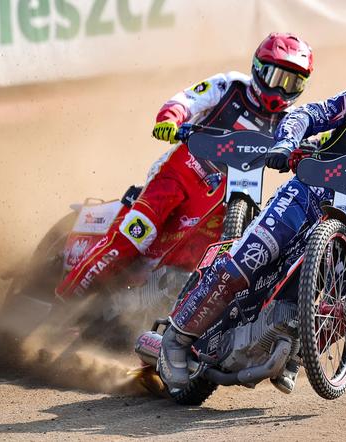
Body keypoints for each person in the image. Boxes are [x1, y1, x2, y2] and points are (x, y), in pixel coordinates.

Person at [159, 49, 346, 392]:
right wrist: (287, 142)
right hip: (304, 196)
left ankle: (297, 354)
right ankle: (176, 340)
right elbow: (306, 114)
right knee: (250, 257)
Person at [54, 33, 314, 300]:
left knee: (201, 265)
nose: (281, 89)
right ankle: (62, 302)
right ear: (258, 69)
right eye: (275, 78)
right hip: (182, 171)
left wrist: (315, 153)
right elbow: (187, 100)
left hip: (223, 199)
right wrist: (170, 119)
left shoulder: (290, 121)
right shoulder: (230, 85)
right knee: (134, 237)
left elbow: (315, 141)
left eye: (292, 82)